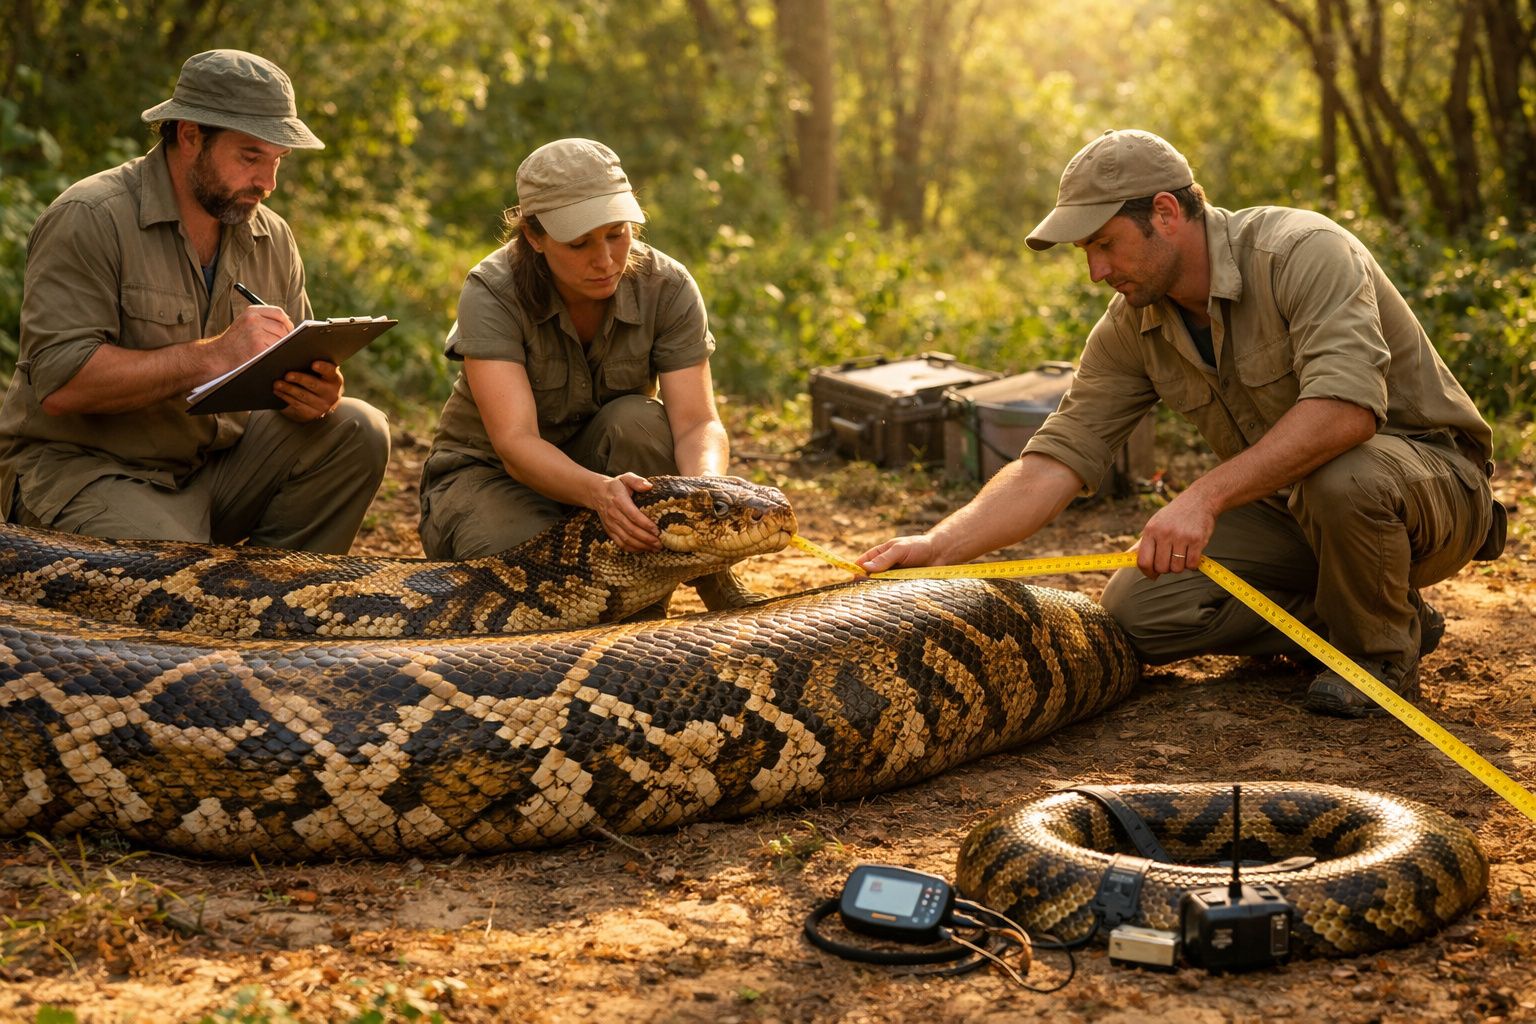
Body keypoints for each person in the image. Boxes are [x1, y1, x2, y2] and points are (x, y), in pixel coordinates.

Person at [859, 129, 1503, 718]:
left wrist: (1203, 496)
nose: (1096, 272)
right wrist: (935, 548)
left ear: (1165, 214)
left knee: (1346, 478)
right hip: (1294, 505)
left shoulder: (1303, 251)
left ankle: (1378, 657)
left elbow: (1346, 413)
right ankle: (1373, 612)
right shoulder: (1129, 327)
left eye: (1106, 244)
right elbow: (1056, 459)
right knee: (1139, 612)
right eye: (1088, 252)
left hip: (1428, 488)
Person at [0, 49, 390, 554]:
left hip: (209, 471)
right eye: (251, 157)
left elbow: (293, 367)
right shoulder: (89, 216)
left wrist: (313, 397)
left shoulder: (271, 236)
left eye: (277, 162)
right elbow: (60, 384)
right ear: (189, 135)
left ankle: (276, 599)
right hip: (86, 470)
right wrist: (212, 355)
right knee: (174, 565)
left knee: (359, 429)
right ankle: (211, 593)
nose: (268, 184)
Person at [417, 137, 763, 613]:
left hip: (609, 478)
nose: (604, 260)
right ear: (534, 238)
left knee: (640, 420)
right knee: (532, 568)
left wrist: (704, 497)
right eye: (579, 243)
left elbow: (697, 423)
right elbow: (515, 444)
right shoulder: (491, 290)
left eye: (617, 234)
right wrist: (600, 495)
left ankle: (681, 598)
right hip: (490, 477)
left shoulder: (668, 284)